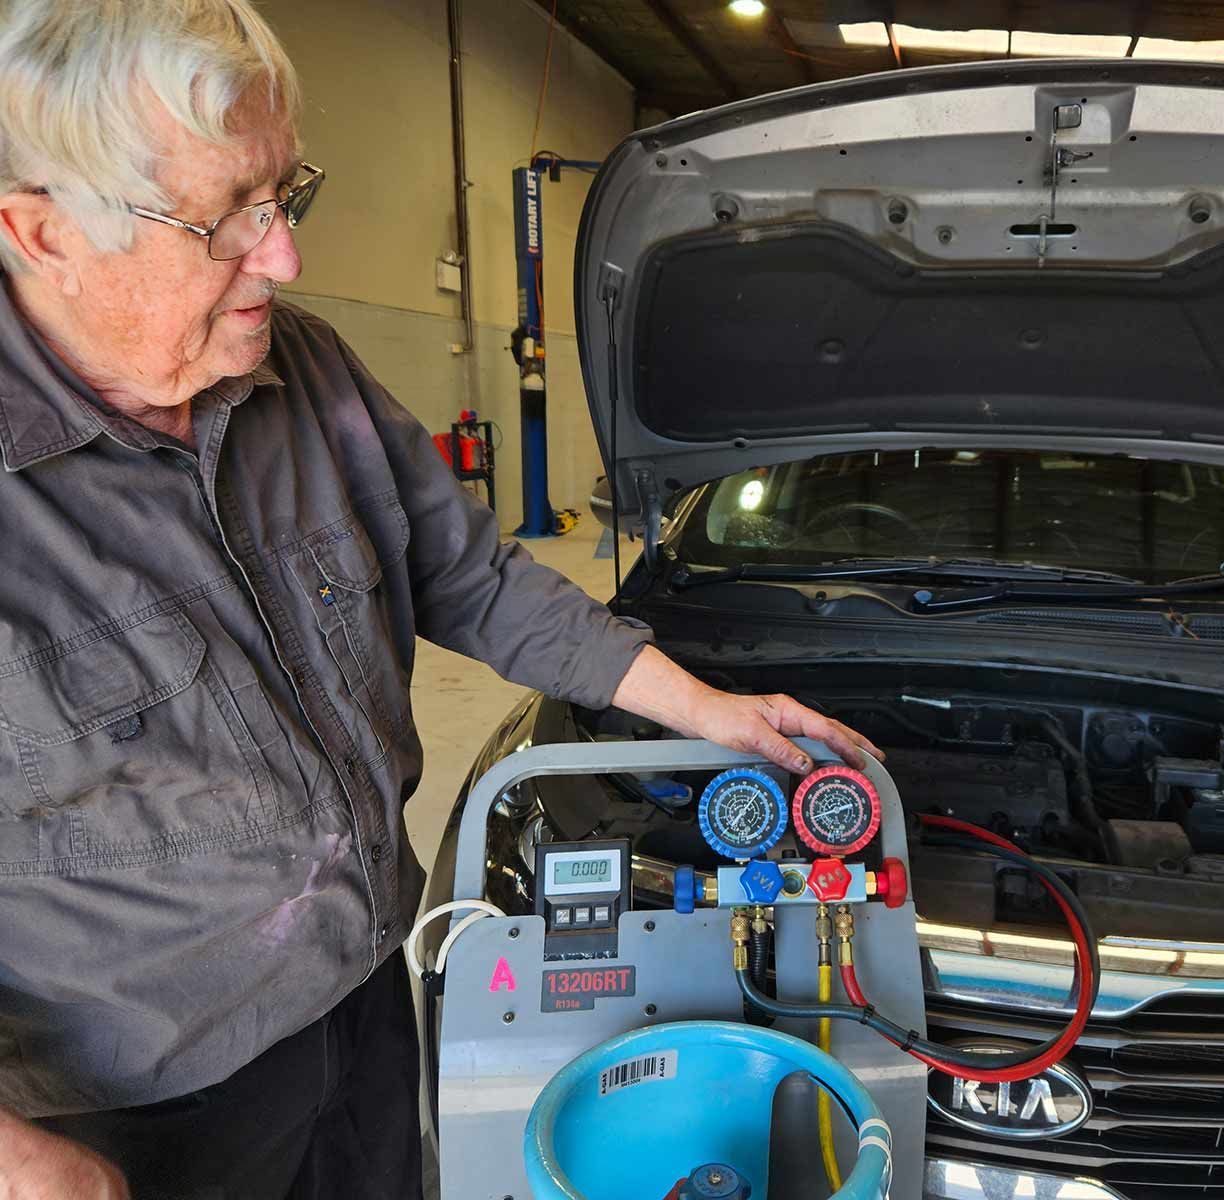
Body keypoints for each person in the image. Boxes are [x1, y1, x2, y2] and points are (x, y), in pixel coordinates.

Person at [0, 2, 882, 1197]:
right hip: (133, 1114)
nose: (285, 256)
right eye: (224, 220)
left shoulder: (300, 373)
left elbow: (470, 577)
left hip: (367, 999)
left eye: (284, 195)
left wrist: (697, 705)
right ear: (41, 230)